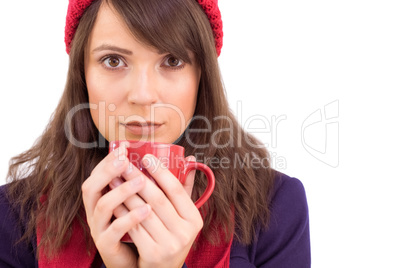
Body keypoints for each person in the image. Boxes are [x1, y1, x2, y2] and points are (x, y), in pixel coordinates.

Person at [0, 0, 311, 267]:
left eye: (172, 61)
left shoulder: (275, 206)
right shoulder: (11, 216)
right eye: (113, 61)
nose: (143, 94)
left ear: (201, 76)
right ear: (82, 74)